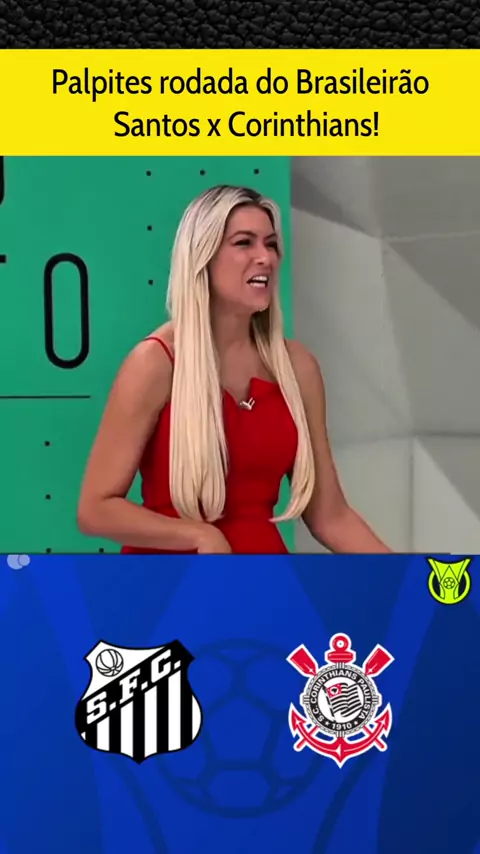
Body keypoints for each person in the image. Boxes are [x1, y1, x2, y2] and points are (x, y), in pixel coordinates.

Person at [77, 184, 390, 555]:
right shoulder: (156, 362)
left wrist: (414, 579)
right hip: (171, 580)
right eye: (244, 243)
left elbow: (330, 516)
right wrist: (198, 536)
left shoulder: (297, 367)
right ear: (203, 257)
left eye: (271, 245)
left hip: (263, 578)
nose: (265, 258)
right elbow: (96, 509)